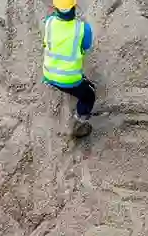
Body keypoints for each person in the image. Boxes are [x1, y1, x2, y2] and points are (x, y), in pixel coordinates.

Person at [43, 0, 96, 136]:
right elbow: (86, 46)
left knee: (79, 85)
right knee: (89, 94)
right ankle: (80, 122)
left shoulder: (48, 22)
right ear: (74, 6)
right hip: (70, 79)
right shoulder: (83, 29)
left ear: (55, 7)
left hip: (48, 74)